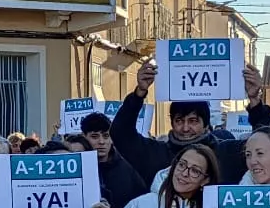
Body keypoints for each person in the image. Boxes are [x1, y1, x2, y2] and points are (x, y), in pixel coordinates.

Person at [108, 56, 256, 188]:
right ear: (172, 122)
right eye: (179, 120)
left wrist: (255, 100)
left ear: (206, 124)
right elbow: (120, 133)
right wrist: (139, 93)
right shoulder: (155, 153)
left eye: (193, 121)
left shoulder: (227, 153)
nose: (185, 128)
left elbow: (266, 142)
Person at [81, 112, 146, 208]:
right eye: (95, 136)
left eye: (106, 136)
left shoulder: (127, 169)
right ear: (84, 137)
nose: (101, 141)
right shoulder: (78, 169)